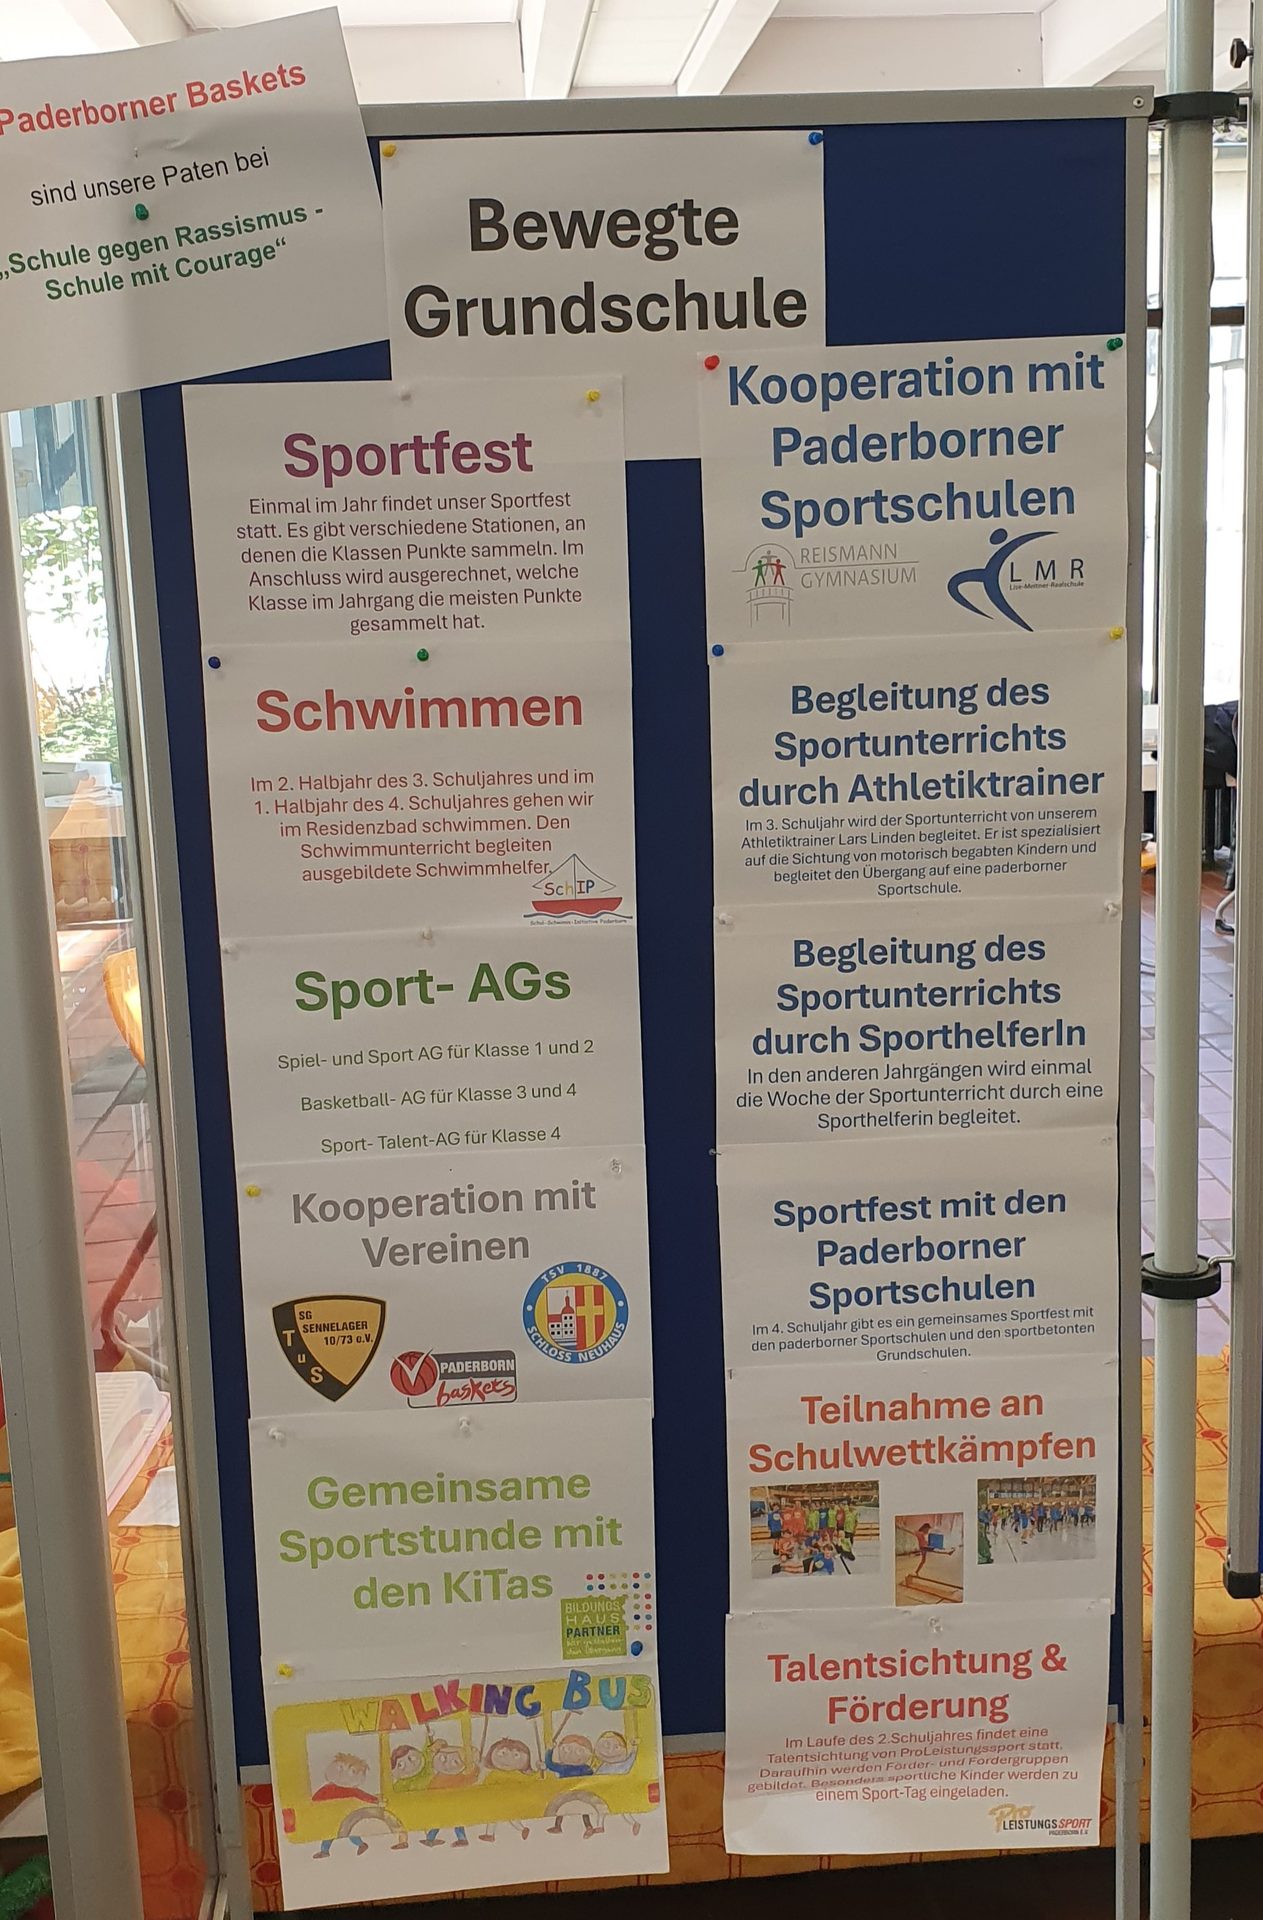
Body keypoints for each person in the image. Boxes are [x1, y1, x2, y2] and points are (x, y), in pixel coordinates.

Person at [420, 1738, 478, 1848]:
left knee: (456, 1821)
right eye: (442, 1759)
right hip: (441, 1805)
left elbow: (469, 1780)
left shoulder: (458, 1777)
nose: (447, 1765)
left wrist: (475, 1768)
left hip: (454, 1805)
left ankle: (461, 1839)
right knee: (438, 1822)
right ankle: (431, 1838)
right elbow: (431, 1790)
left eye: (455, 1761)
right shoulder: (438, 1777)